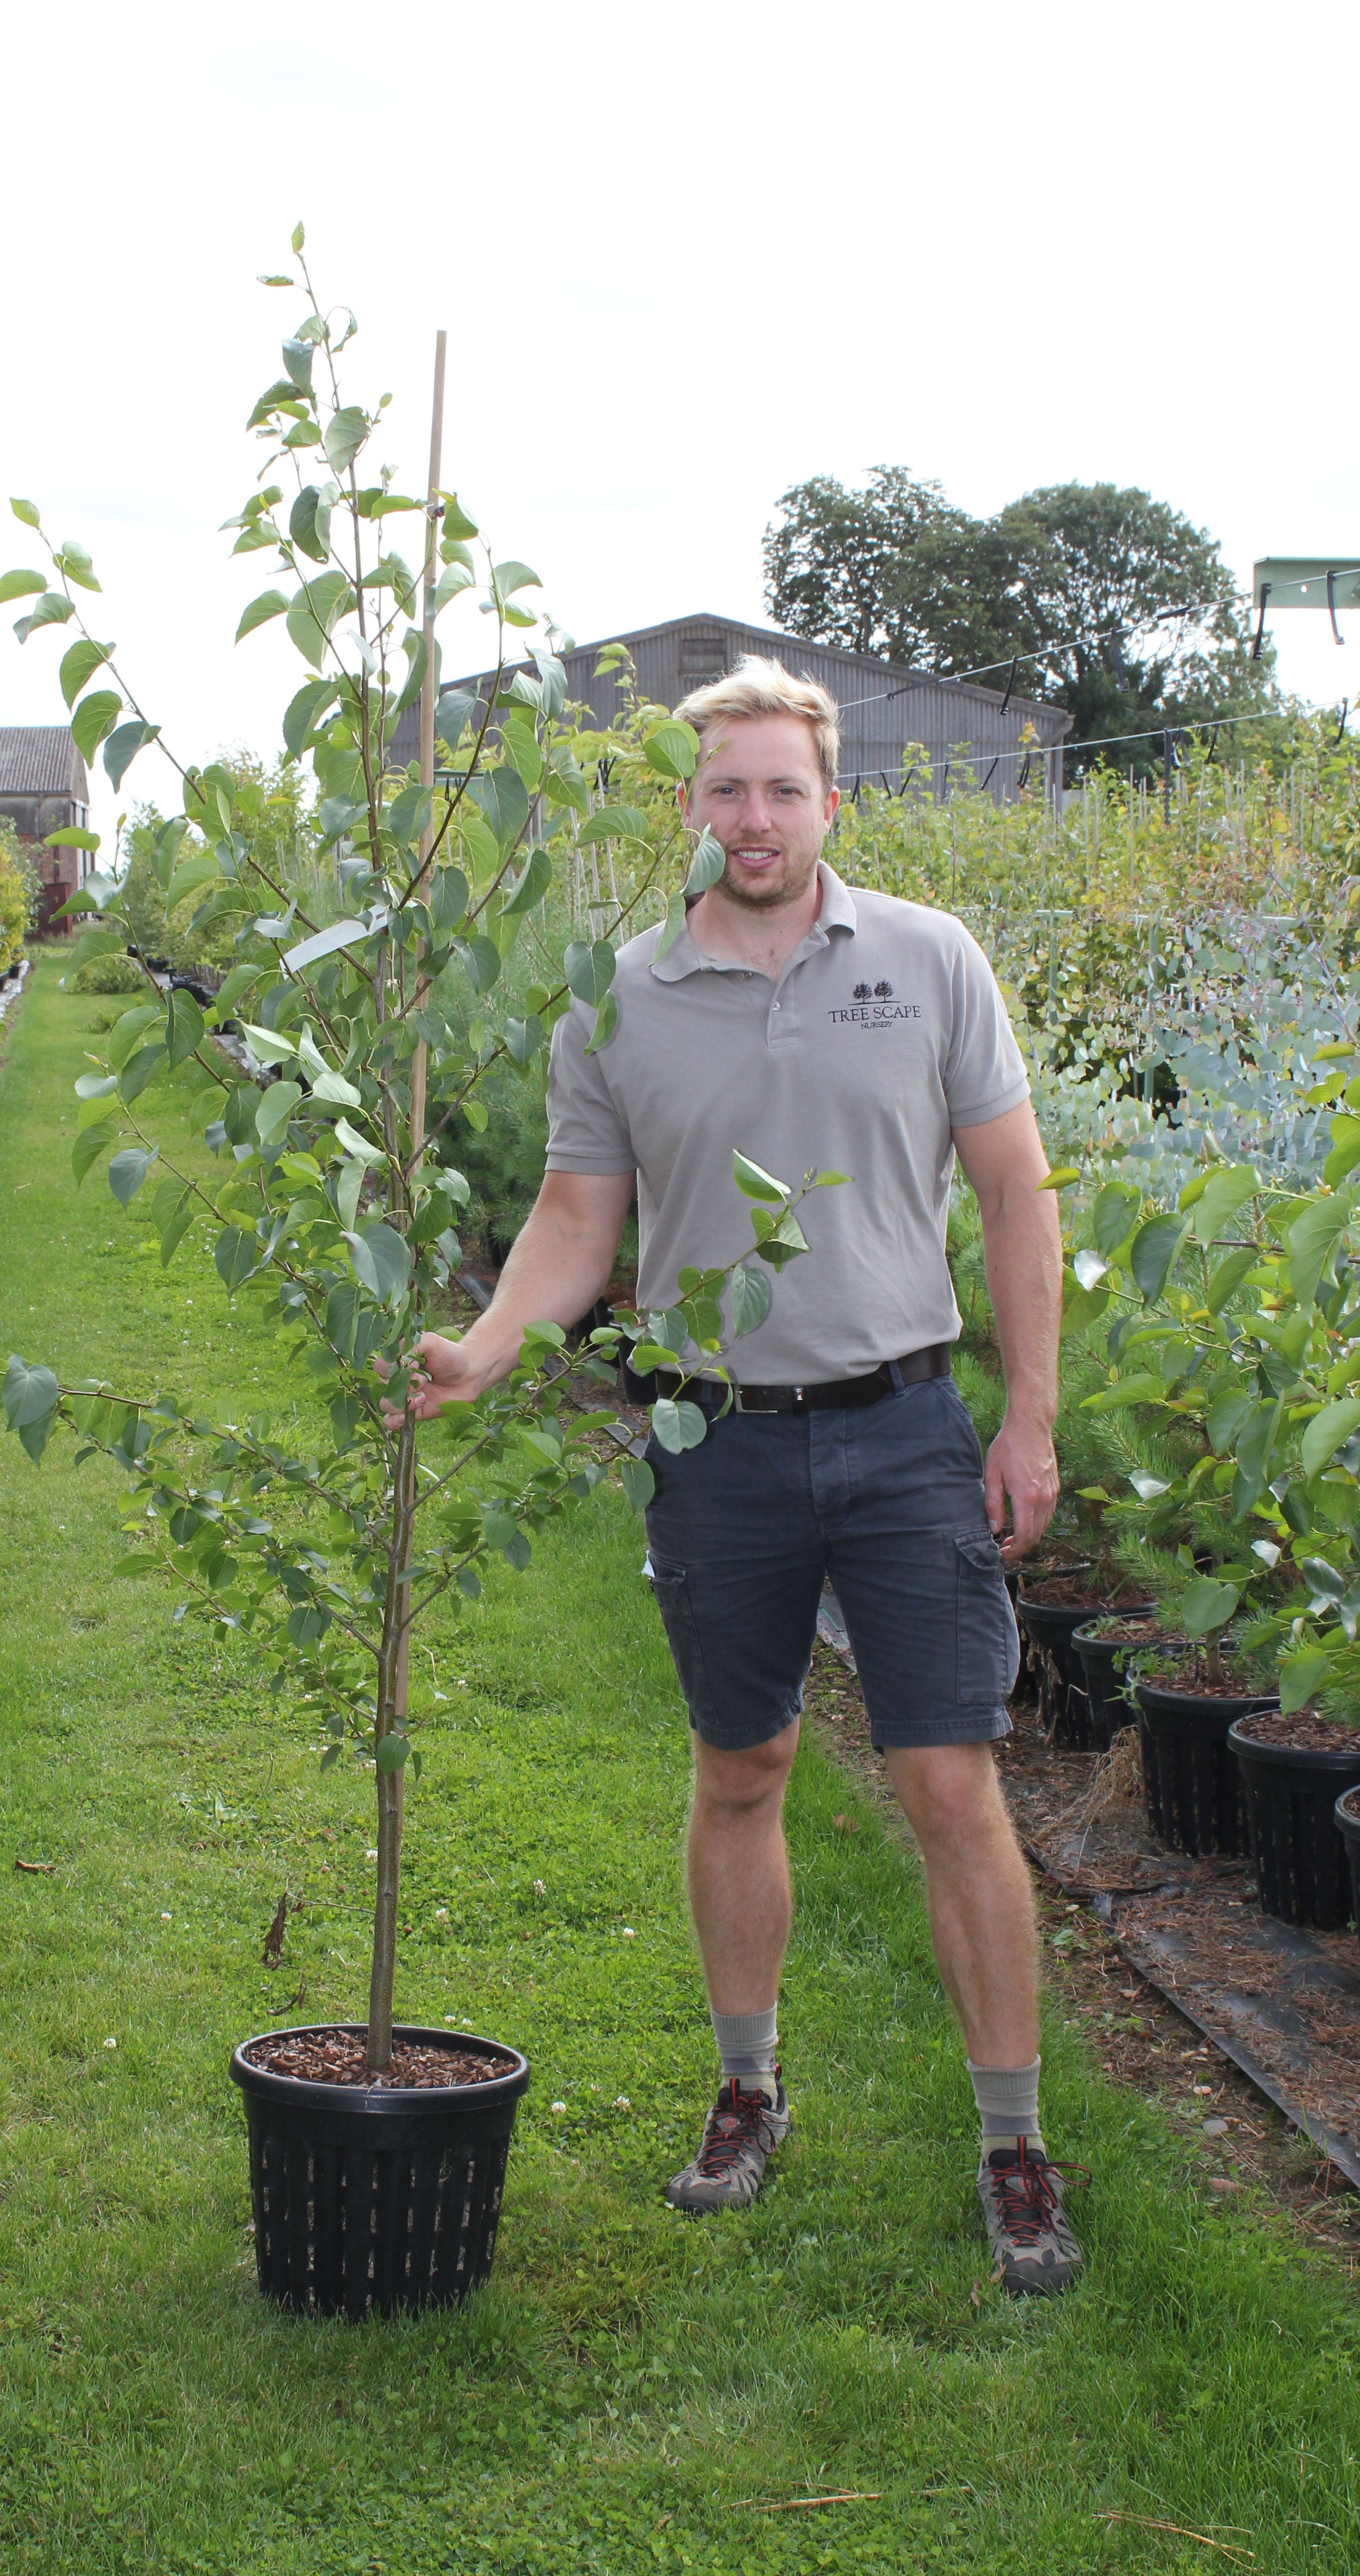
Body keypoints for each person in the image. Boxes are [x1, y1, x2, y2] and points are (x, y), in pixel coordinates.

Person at [404, 659, 1082, 2296]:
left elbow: (1013, 1193)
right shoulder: (620, 992)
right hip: (713, 1438)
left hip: (910, 1429)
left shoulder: (929, 960)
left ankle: (1013, 2143)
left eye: (784, 788)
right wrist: (489, 1344)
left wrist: (1029, 1420)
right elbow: (580, 1218)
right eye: (727, 790)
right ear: (688, 806)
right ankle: (746, 2090)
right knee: (742, 1771)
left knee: (948, 1788)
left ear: (832, 800)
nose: (756, 817)